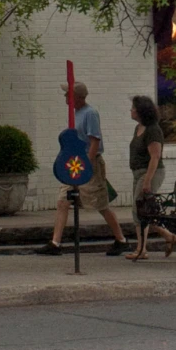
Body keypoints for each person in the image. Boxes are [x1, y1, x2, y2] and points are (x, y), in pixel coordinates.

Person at [39, 79, 127, 257]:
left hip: (88, 162)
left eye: (67, 94)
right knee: (63, 201)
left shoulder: (90, 113)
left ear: (76, 97)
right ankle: (55, 243)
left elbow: (94, 140)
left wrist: (88, 163)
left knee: (101, 203)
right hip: (74, 163)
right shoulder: (75, 113)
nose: (65, 97)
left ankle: (121, 240)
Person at [127, 93, 176, 261]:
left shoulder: (153, 130)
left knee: (139, 211)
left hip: (150, 172)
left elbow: (155, 157)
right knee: (146, 211)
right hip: (138, 172)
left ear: (141, 111)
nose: (131, 111)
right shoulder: (138, 128)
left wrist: (148, 181)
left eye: (134, 109)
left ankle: (141, 249)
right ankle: (169, 236)